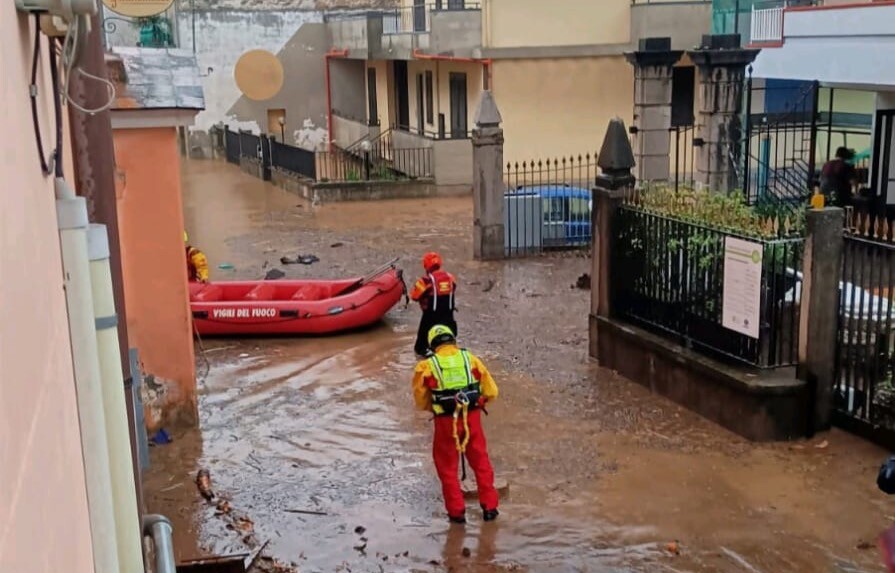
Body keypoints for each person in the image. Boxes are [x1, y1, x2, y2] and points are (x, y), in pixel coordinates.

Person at [412, 324, 499, 524]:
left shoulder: (426, 366)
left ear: (433, 345)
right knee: (481, 463)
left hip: (445, 422)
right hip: (472, 418)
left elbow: (421, 400)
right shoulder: (471, 360)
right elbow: (492, 392)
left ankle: (457, 513)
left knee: (447, 468)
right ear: (453, 340)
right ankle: (490, 509)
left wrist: (434, 407)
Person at [410, 252, 457, 357]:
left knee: (419, 348)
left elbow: (414, 296)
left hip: (430, 318)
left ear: (426, 266)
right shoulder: (451, 277)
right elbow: (453, 289)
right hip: (448, 319)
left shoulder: (425, 281)